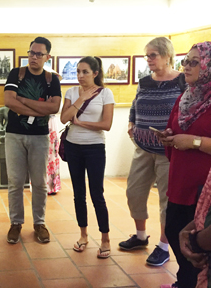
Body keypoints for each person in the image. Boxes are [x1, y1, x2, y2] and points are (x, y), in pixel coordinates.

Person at [119, 37, 185, 266]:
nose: (149, 59)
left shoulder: (182, 81)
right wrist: (131, 124)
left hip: (169, 151)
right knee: (134, 192)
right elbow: (135, 104)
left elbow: (186, 111)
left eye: (153, 55)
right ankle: (140, 236)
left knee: (167, 200)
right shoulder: (145, 81)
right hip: (143, 147)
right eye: (147, 55)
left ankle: (164, 246)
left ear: (167, 55)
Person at [158, 42, 211, 288]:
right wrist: (167, 136)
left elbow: (193, 138)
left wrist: (194, 142)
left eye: (194, 62)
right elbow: (175, 129)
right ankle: (185, 280)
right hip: (180, 179)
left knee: (197, 241)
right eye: (185, 61)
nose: (186, 67)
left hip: (204, 186)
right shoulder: (185, 97)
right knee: (174, 229)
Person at [4, 36, 61, 244]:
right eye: (31, 52)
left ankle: (39, 223)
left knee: (39, 183)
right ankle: (16, 223)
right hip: (14, 135)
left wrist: (23, 100)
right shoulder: (16, 73)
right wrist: (39, 107)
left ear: (47, 56)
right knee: (15, 182)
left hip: (39, 137)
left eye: (39, 54)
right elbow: (9, 101)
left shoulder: (51, 79)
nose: (33, 57)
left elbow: (54, 108)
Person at [60, 56, 114, 259]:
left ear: (95, 73)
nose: (80, 76)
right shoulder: (71, 92)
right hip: (73, 147)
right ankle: (83, 235)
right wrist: (80, 100)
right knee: (78, 193)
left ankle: (105, 238)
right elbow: (64, 118)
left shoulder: (106, 93)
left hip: (95, 148)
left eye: (85, 72)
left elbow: (106, 124)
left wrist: (82, 124)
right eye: (78, 72)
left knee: (97, 194)